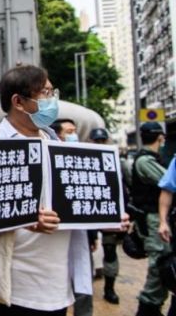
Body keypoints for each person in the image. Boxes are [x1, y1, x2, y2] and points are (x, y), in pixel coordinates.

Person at [0, 65, 70, 316]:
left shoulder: (57, 145)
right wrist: (25, 218)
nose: (53, 101)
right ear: (18, 101)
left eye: (53, 92)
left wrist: (108, 218)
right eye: (46, 93)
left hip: (57, 284)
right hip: (14, 286)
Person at [50, 118, 95, 316]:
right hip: (51, 247)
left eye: (75, 131)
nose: (74, 135)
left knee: (83, 289)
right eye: (69, 131)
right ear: (58, 135)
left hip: (79, 239)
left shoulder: (86, 161)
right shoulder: (49, 161)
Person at [128, 122, 170, 316]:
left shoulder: (147, 158)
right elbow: (170, 181)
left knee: (164, 261)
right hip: (152, 220)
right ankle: (148, 308)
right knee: (159, 263)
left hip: (154, 218)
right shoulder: (145, 161)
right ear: (160, 137)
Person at [88, 127, 122, 305]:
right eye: (97, 141)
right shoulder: (83, 160)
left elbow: (123, 189)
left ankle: (110, 287)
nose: (100, 144)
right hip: (87, 214)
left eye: (103, 141)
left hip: (108, 213)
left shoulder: (117, 161)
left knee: (110, 252)